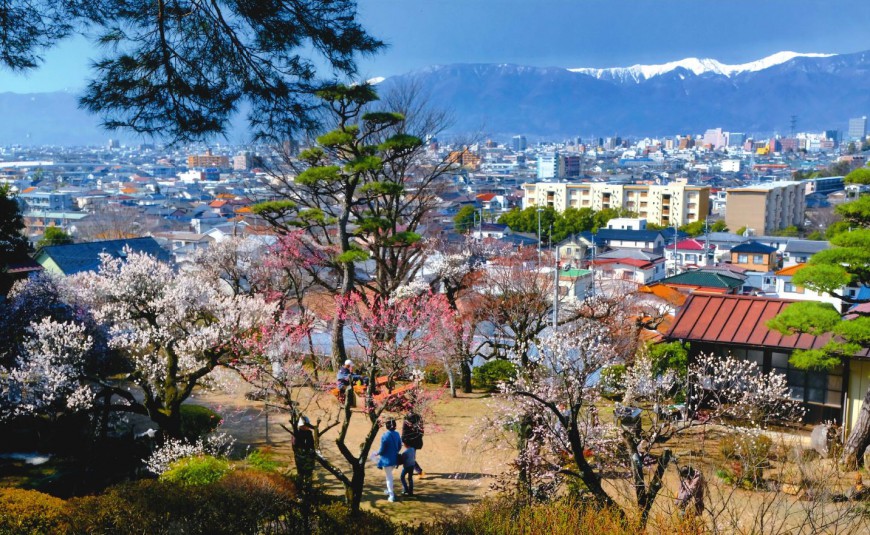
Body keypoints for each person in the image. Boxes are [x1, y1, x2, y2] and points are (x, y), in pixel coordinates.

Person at [376, 417, 402, 502]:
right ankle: (389, 491)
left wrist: (377, 453)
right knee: (389, 476)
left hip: (386, 460)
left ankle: (391, 495)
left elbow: (382, 449)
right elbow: (399, 446)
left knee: (389, 478)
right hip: (394, 459)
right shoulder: (397, 434)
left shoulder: (385, 435)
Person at [293, 416, 316, 486]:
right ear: (301, 426)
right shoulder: (297, 435)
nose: (308, 427)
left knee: (308, 475)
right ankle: (301, 488)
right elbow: (295, 447)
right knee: (301, 474)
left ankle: (308, 489)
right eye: (306, 426)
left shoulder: (309, 433)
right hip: (301, 459)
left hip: (308, 459)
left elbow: (312, 445)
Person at [402, 411, 424, 475]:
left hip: (411, 442)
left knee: (410, 457)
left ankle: (418, 470)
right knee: (411, 457)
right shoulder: (418, 422)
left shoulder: (408, 423)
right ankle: (411, 469)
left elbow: (404, 434)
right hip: (413, 442)